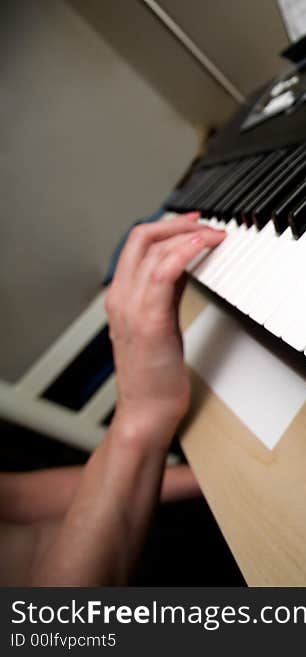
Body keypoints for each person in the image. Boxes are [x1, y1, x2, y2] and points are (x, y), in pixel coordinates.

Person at [0, 213, 226, 586]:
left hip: (129, 512)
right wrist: (141, 414)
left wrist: (210, 480)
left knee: (142, 238)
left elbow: (20, 499)